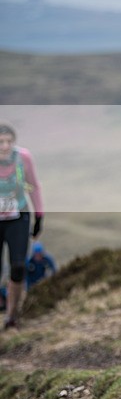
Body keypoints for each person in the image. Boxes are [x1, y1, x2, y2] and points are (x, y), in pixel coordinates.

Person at [0, 121, 44, 330]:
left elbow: (34, 186)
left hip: (18, 217)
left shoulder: (23, 158)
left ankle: (11, 316)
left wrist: (39, 216)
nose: (5, 146)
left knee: (18, 267)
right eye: (1, 142)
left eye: (9, 141)